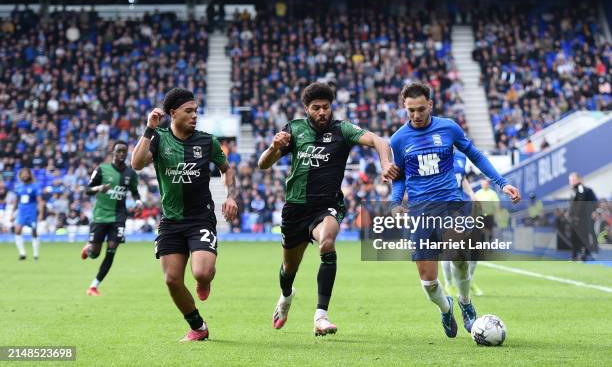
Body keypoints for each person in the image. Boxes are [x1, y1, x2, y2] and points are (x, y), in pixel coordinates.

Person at [258, 82, 399, 336]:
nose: (322, 112)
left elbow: (379, 140)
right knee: (289, 269)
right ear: (306, 109)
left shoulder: (342, 129)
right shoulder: (294, 130)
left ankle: (320, 316)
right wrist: (274, 147)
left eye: (326, 107)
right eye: (316, 108)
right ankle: (286, 297)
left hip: (327, 206)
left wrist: (385, 162)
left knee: (327, 243)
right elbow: (263, 165)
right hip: (295, 209)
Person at [390, 82, 520, 338]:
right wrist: (395, 204)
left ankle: (464, 301)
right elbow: (399, 177)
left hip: (451, 204)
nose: (415, 115)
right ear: (404, 108)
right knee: (429, 283)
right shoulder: (398, 139)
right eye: (410, 110)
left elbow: (476, 155)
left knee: (460, 254)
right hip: (419, 212)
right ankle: (446, 308)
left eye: (420, 109)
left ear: (430, 104)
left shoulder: (448, 127)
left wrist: (502, 183)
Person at [131, 88, 238, 342]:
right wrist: (149, 128)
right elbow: (136, 163)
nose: (194, 116)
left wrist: (230, 195)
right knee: (171, 280)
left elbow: (226, 170)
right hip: (170, 221)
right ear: (173, 113)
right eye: (188, 111)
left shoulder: (206, 141)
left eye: (196, 111)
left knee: (201, 272)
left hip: (200, 218)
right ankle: (198, 326)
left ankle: (205, 280)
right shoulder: (159, 139)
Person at [80, 140, 142, 296]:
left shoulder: (130, 173)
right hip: (100, 215)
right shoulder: (101, 169)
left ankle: (94, 286)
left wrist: (138, 202)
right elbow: (87, 190)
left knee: (112, 250)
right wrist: (99, 188)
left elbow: (134, 191)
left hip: (119, 217)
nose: (121, 154)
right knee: (95, 253)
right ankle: (89, 248)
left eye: (124, 151)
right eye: (119, 151)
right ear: (113, 153)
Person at [440, 150, 483, 298]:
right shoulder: (436, 154)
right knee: (450, 249)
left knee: (474, 248)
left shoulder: (460, 156)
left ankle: (468, 280)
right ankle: (448, 283)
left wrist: (471, 194)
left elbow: (462, 178)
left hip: (463, 205)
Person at [11, 168, 44, 260]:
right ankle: (22, 254)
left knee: (33, 231)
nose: (25, 175)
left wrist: (41, 213)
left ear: (30, 175)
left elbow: (40, 201)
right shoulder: (18, 187)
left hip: (31, 210)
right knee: (17, 230)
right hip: (21, 211)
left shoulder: (35, 186)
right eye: (23, 174)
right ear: (20, 176)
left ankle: (35, 254)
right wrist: (12, 213)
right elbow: (16, 201)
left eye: (26, 174)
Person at [568, 172, 598, 261]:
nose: (571, 182)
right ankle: (575, 256)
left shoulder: (583, 189)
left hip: (583, 218)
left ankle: (584, 255)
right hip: (575, 219)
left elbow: (591, 202)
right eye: (570, 180)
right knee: (574, 238)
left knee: (583, 237)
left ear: (579, 180)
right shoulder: (574, 192)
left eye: (573, 180)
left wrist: (595, 211)